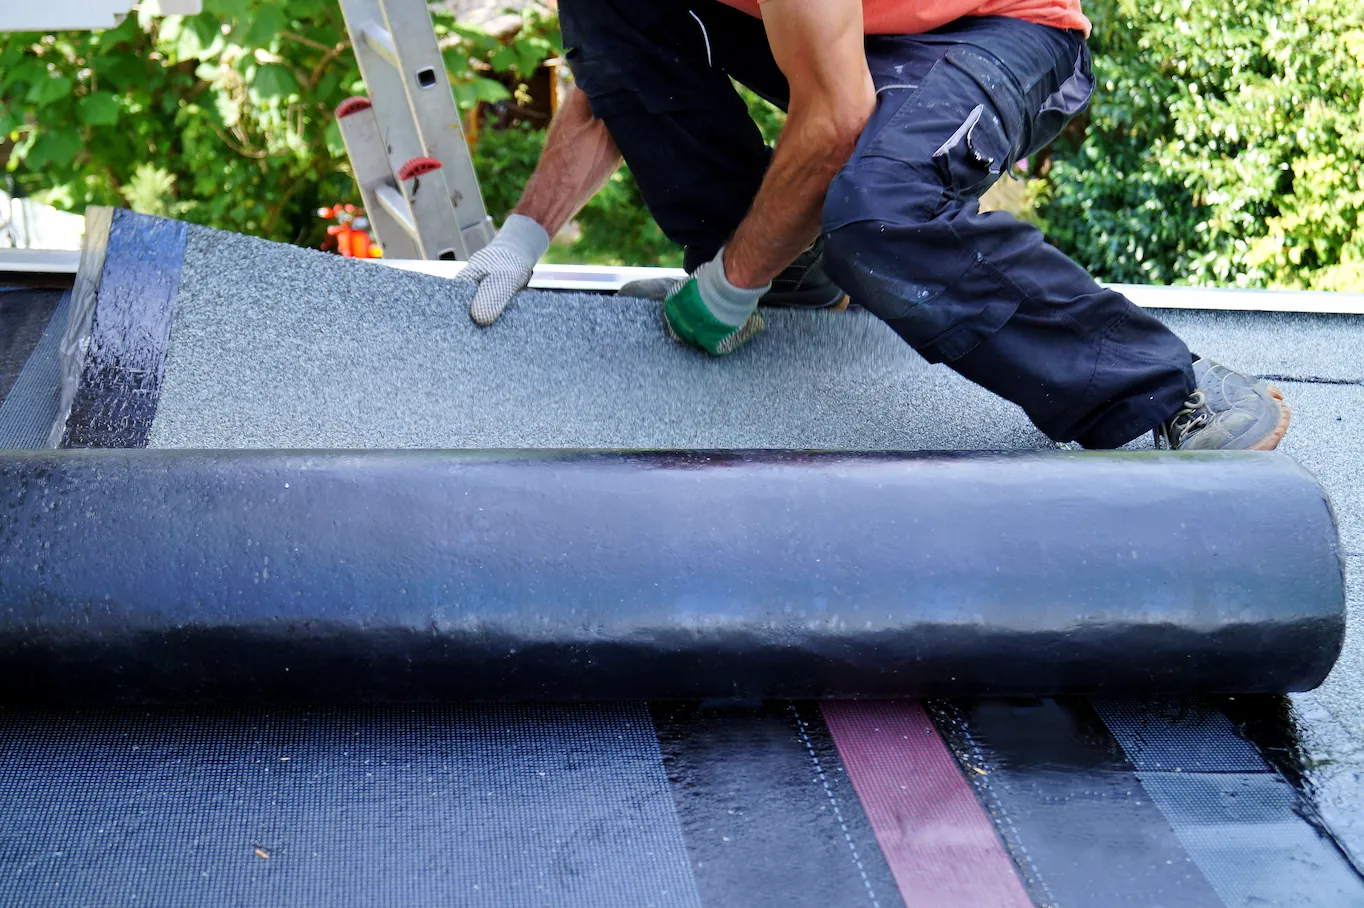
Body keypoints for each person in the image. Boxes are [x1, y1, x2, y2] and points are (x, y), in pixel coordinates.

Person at [456, 0, 1291, 451]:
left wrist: (724, 288)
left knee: (879, 215)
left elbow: (834, 123)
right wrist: (522, 235)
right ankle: (789, 282)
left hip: (999, 34)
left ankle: (1168, 390)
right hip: (849, 34)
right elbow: (618, 74)